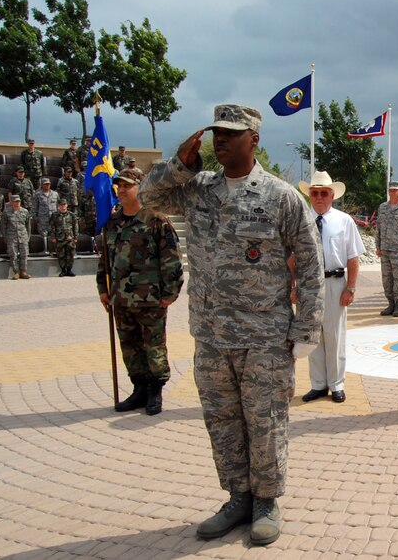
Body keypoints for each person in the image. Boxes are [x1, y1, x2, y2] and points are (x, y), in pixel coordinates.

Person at [138, 104, 324, 546]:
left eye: (231, 134)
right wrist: (178, 167)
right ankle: (238, 496)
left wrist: (307, 330)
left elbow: (312, 267)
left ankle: (266, 501)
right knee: (222, 421)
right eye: (216, 133)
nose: (220, 140)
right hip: (211, 335)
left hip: (264, 338)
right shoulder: (197, 189)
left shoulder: (281, 197)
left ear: (254, 139)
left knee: (265, 421)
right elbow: (148, 199)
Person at [97, 168, 185, 416]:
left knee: (153, 347)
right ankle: (139, 390)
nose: (121, 190)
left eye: (127, 186)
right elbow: (105, 258)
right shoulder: (112, 222)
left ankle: (155, 391)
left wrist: (170, 293)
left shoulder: (156, 220)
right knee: (130, 347)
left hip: (151, 299)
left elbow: (171, 260)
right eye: (119, 186)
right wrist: (103, 288)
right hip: (121, 299)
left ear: (140, 187)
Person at [298, 171, 363, 404]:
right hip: (308, 284)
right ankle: (318, 384)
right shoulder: (301, 218)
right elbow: (292, 256)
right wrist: (293, 285)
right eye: (314, 193)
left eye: (323, 193)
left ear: (332, 195)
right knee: (312, 336)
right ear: (309, 195)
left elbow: (353, 258)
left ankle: (336, 384)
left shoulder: (344, 221)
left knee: (335, 335)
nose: (319, 197)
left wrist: (351, 288)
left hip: (335, 283)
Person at [375, 181, 398, 317]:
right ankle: (390, 303)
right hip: (385, 249)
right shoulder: (383, 207)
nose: (393, 192)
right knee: (386, 278)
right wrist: (377, 246)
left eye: (395, 190)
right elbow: (378, 228)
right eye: (391, 190)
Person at [2, 194, 31, 279]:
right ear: (11, 202)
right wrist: (5, 237)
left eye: (19, 201)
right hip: (11, 237)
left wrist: (28, 236)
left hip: (23, 236)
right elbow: (3, 226)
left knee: (24, 254)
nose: (17, 203)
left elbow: (28, 225)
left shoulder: (25, 211)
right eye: (15, 201)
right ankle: (16, 272)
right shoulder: (6, 212)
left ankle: (23, 271)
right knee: (13, 254)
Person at [49, 198, 78, 276]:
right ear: (59, 206)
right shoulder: (55, 215)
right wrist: (53, 237)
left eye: (64, 205)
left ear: (67, 205)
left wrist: (75, 237)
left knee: (70, 254)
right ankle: (63, 270)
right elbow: (52, 227)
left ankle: (69, 270)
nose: (63, 207)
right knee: (61, 255)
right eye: (61, 205)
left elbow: (75, 226)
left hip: (70, 238)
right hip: (60, 238)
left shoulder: (71, 215)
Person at [31, 178, 59, 250]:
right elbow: (34, 207)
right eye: (45, 184)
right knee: (43, 237)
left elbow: (58, 205)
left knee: (54, 235)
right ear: (42, 185)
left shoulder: (55, 194)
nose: (47, 185)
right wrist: (35, 217)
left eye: (48, 184)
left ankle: (54, 250)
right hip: (42, 219)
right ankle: (45, 250)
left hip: (53, 219)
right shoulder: (37, 195)